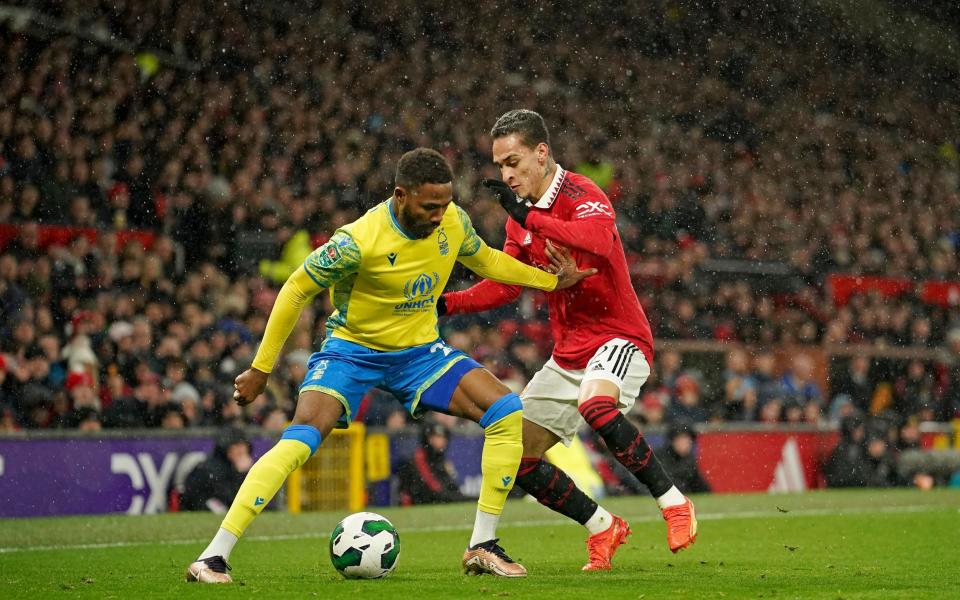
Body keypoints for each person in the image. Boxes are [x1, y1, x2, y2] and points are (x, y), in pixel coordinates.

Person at [186, 148, 594, 583]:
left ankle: (482, 545)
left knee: (506, 411)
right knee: (301, 440)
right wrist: (261, 368)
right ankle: (214, 556)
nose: (440, 215)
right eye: (429, 206)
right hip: (351, 351)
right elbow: (294, 290)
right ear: (401, 195)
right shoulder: (357, 241)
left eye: (445, 204)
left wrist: (551, 281)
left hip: (419, 353)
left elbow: (487, 260)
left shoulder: (453, 220)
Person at [439, 110, 697, 571]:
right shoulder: (519, 220)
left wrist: (532, 219)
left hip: (619, 337)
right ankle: (602, 526)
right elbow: (508, 283)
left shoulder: (582, 194)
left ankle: (674, 503)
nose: (507, 174)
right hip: (569, 353)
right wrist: (448, 304)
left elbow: (597, 241)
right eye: (500, 166)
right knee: (514, 455)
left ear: (542, 153)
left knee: (596, 407)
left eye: (514, 161)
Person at [397, 419, 470, 505]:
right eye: (437, 436)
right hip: (416, 508)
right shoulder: (419, 457)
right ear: (428, 438)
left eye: (444, 437)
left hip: (435, 503)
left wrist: (460, 497)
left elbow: (451, 486)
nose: (442, 440)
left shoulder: (440, 459)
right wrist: (461, 499)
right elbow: (433, 491)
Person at [181, 427, 254, 512]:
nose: (241, 451)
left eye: (243, 446)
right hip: (202, 508)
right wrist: (241, 474)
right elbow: (230, 498)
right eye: (235, 447)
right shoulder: (211, 468)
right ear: (226, 448)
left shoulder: (234, 465)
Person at [657, 422, 711, 495]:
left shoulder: (689, 459)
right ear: (672, 441)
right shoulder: (659, 457)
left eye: (686, 439)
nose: (684, 443)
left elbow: (701, 486)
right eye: (679, 439)